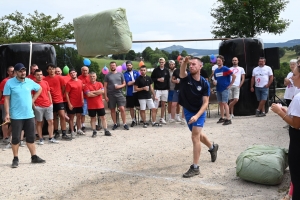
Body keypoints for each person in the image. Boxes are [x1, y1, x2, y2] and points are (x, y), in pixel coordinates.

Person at [179, 57, 219, 178]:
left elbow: (205, 103)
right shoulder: (186, 78)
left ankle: (195, 167)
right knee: (198, 134)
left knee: (195, 136)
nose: (191, 66)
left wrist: (197, 116)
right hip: (188, 110)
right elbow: (182, 71)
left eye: (194, 64)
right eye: (190, 64)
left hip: (199, 112)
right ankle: (212, 147)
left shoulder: (204, 83)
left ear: (200, 66)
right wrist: (184, 62)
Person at [3, 63, 45, 168]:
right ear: (16, 72)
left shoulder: (29, 82)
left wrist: (33, 99)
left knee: (31, 137)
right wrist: (7, 113)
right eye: (20, 71)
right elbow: (6, 99)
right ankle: (15, 158)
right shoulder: (9, 83)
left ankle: (34, 157)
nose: (23, 72)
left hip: (29, 115)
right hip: (16, 116)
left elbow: (39, 88)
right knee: (16, 138)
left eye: (24, 70)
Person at [271, 64, 300, 199]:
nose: (291, 78)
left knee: (297, 175)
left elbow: (296, 123)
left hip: (298, 141)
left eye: (294, 75)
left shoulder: (299, 97)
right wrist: (285, 109)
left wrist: (279, 113)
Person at [44, 63, 71, 140]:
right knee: (54, 117)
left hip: (59, 100)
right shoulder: (45, 79)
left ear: (55, 70)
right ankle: (56, 132)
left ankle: (64, 133)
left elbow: (63, 88)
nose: (51, 70)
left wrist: (59, 95)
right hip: (50, 101)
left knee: (62, 116)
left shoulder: (60, 78)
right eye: (50, 69)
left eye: (53, 69)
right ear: (47, 70)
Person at [33, 69, 58, 144]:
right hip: (38, 106)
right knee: (39, 122)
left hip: (48, 105)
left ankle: (51, 137)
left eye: (41, 74)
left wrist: (51, 103)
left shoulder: (45, 82)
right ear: (35, 76)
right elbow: (31, 95)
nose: (39, 76)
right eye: (38, 74)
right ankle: (40, 138)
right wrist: (34, 106)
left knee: (51, 121)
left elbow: (48, 92)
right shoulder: (33, 84)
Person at [84, 72, 111, 137]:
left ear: (96, 77)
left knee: (103, 117)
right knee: (93, 118)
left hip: (99, 104)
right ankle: (94, 131)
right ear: (89, 77)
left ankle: (106, 130)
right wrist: (97, 92)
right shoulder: (86, 85)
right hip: (91, 105)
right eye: (91, 76)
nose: (92, 77)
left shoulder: (99, 84)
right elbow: (88, 94)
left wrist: (92, 92)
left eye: (93, 76)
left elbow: (102, 91)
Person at [104, 61, 129, 130]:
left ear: (116, 66)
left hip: (119, 93)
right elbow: (105, 86)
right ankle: (115, 123)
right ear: (110, 66)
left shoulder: (120, 74)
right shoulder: (107, 75)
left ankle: (124, 123)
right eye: (111, 65)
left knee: (122, 108)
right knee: (112, 109)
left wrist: (119, 86)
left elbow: (124, 84)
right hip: (110, 94)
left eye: (114, 65)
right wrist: (105, 96)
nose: (112, 66)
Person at [213, 55, 236, 125]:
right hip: (218, 88)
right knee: (220, 103)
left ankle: (228, 118)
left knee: (225, 103)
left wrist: (230, 84)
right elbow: (215, 79)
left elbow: (234, 76)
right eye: (217, 61)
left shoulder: (226, 69)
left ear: (222, 61)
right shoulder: (216, 70)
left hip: (225, 88)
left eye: (219, 60)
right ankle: (222, 117)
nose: (218, 62)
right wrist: (214, 82)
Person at [65, 69, 84, 137]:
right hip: (72, 103)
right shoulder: (69, 83)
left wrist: (82, 99)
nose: (73, 74)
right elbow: (66, 94)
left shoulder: (80, 81)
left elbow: (81, 91)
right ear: (70, 75)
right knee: (71, 118)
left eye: (74, 72)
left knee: (79, 116)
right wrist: (69, 104)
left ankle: (79, 129)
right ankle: (72, 131)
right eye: (71, 73)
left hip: (79, 102)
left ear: (76, 73)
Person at [150, 57, 170, 125]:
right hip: (157, 89)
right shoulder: (155, 70)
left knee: (163, 104)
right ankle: (154, 118)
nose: (161, 63)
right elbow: (151, 79)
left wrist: (168, 88)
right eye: (160, 62)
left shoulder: (167, 70)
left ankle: (162, 118)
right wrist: (157, 79)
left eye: (162, 62)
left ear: (165, 62)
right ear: (159, 62)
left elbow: (168, 80)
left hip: (165, 89)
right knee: (156, 104)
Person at [0, 66, 14, 145]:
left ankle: (10, 137)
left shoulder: (16, 81)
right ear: (8, 72)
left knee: (14, 121)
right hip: (5, 103)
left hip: (14, 104)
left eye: (13, 71)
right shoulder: (5, 81)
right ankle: (5, 137)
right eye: (11, 71)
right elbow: (1, 93)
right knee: (6, 121)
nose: (12, 72)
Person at [123, 60, 140, 127]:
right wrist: (136, 81)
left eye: (130, 65)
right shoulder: (125, 74)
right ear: (126, 66)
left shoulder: (136, 72)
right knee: (131, 107)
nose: (129, 66)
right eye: (127, 65)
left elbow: (140, 80)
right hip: (130, 93)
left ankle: (141, 119)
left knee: (139, 106)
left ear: (132, 65)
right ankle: (133, 120)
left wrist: (133, 82)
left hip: (138, 92)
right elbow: (128, 83)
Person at [78, 66, 90, 132]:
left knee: (92, 112)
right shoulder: (79, 78)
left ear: (88, 71)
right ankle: (83, 125)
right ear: (81, 71)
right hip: (83, 98)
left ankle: (95, 124)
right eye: (83, 70)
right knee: (83, 113)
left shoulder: (91, 76)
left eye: (86, 70)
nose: (85, 71)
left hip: (91, 97)